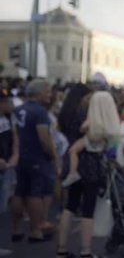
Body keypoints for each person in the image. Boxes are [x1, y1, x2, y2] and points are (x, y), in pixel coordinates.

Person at [57, 91, 121, 258]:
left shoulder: (78, 114)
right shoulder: (104, 122)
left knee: (70, 205)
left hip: (76, 164)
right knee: (88, 209)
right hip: (92, 166)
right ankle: (86, 251)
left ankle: (61, 249)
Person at [10, 79, 57, 243]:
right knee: (35, 194)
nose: (50, 96)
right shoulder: (40, 112)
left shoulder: (18, 110)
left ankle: (16, 229)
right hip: (37, 157)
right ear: (39, 93)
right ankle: (36, 230)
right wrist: (52, 155)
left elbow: (15, 135)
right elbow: (44, 138)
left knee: (19, 192)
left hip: (22, 155)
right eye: (48, 92)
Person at [0, 89, 18, 256]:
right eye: (7, 102)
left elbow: (13, 138)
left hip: (6, 166)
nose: (11, 105)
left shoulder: (7, 118)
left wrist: (15, 154)